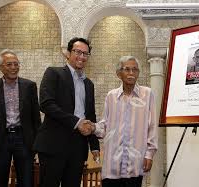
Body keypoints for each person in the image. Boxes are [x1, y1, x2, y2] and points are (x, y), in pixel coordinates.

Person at [33, 37, 100, 187]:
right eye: (78, 52)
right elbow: (46, 104)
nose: (82, 57)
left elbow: (90, 116)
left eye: (85, 54)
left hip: (78, 146)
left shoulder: (89, 84)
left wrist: (94, 145)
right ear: (68, 53)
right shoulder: (53, 73)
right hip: (53, 144)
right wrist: (77, 122)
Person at [84, 56, 158, 187]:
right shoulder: (111, 96)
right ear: (119, 74)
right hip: (112, 164)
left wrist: (150, 154)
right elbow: (104, 126)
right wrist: (93, 128)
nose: (131, 73)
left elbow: (152, 127)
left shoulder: (147, 94)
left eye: (135, 70)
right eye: (127, 69)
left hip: (135, 164)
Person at [0, 49, 41, 187]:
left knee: (26, 182)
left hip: (24, 140)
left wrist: (36, 142)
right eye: (9, 64)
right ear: (1, 67)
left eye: (16, 64)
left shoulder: (29, 86)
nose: (14, 67)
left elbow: (36, 118)